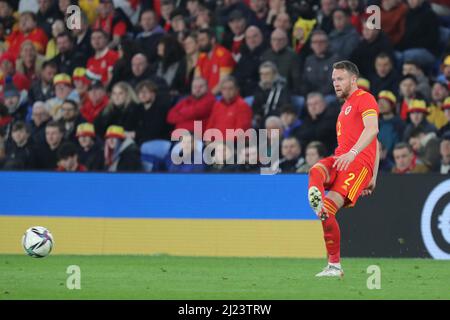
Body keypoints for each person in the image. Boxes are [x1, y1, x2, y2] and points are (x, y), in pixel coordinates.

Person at [307, 61, 380, 277]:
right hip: (341, 159)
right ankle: (316, 200)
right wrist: (374, 176)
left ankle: (334, 266)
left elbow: (373, 130)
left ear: (353, 80)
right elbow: (378, 143)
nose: (336, 84)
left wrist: (358, 159)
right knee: (315, 170)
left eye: (340, 79)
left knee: (327, 211)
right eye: (333, 80)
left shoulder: (365, 98)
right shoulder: (344, 107)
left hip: (356, 165)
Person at [204, 76, 253, 142]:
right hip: (217, 144)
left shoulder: (242, 105)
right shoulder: (217, 105)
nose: (227, 91)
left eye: (230, 89)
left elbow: (241, 131)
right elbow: (210, 125)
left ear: (237, 90)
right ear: (221, 91)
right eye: (224, 89)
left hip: (234, 144)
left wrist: (223, 142)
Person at [195, 28, 235, 95]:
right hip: (204, 96)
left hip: (220, 96)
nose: (199, 43)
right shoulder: (202, 56)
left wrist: (208, 97)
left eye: (202, 40)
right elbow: (196, 79)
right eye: (198, 41)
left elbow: (223, 82)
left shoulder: (224, 55)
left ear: (212, 40)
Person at [261, 28, 301, 94]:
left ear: (286, 41)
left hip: (286, 92)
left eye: (280, 40)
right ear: (270, 41)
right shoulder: (266, 55)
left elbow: (296, 79)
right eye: (274, 39)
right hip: (267, 91)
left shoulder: (293, 56)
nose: (276, 42)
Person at [252, 61, 291, 128]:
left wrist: (266, 117)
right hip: (261, 121)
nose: (264, 76)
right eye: (261, 74)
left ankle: (272, 138)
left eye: (267, 74)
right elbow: (255, 106)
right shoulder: (259, 88)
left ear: (275, 74)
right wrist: (257, 114)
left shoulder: (283, 88)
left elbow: (284, 108)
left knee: (271, 127)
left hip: (276, 121)